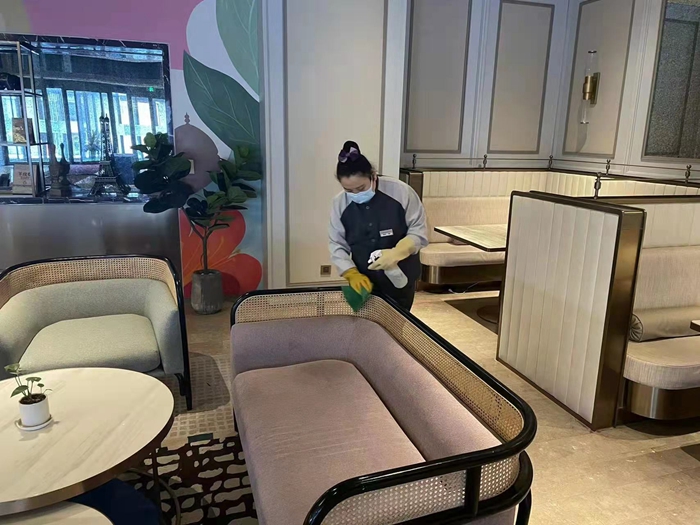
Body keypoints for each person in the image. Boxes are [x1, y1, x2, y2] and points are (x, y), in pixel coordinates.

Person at [328, 140, 428, 310]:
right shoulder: (340, 204)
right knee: (366, 322)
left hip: (400, 277)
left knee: (397, 321)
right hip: (365, 281)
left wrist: (397, 252)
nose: (355, 194)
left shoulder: (401, 192)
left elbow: (418, 231)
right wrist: (351, 273)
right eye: (349, 190)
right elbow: (337, 244)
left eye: (361, 188)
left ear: (373, 176)